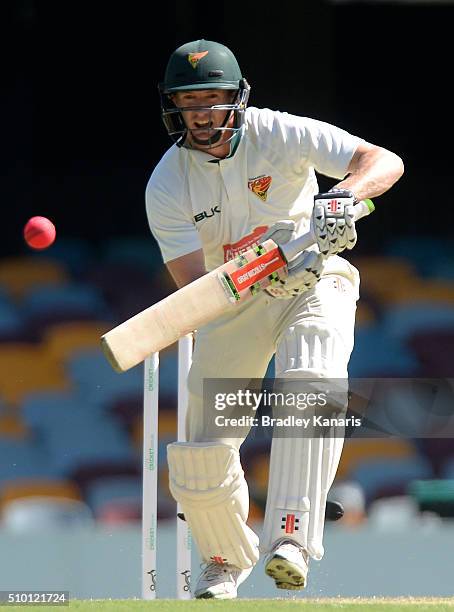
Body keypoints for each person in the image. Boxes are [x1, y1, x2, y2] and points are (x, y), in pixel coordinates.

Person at [146, 39, 403, 599]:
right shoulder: (167, 184)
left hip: (315, 276)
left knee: (312, 382)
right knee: (199, 453)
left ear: (237, 99)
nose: (202, 113)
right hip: (231, 301)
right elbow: (193, 288)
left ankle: (290, 535)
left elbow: (383, 161)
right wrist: (251, 276)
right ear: (174, 106)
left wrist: (343, 199)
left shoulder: (280, 132)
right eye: (191, 102)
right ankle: (222, 558)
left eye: (213, 99)